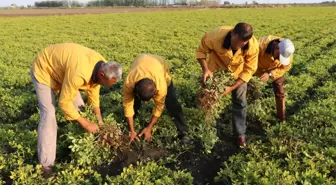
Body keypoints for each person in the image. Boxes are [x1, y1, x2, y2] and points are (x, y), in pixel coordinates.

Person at [30, 43, 122, 174]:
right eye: (107, 84)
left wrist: (99, 122)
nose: (107, 87)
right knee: (49, 113)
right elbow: (64, 103)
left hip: (64, 72)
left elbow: (94, 95)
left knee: (80, 109)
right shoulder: (79, 73)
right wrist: (86, 123)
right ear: (102, 74)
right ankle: (46, 164)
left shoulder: (103, 65)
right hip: (44, 69)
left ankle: (73, 140)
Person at [195, 23, 259, 146]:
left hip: (237, 74)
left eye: (240, 44)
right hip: (215, 70)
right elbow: (201, 51)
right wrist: (205, 70)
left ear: (246, 42)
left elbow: (249, 70)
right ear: (232, 33)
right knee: (206, 99)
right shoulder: (215, 36)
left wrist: (231, 88)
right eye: (234, 41)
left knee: (240, 102)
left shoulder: (253, 46)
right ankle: (205, 129)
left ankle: (240, 135)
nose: (235, 46)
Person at [123, 54, 190, 144]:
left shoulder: (161, 86)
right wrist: (132, 130)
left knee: (172, 103)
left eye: (148, 100)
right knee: (134, 103)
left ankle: (183, 132)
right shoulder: (129, 83)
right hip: (140, 61)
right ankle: (130, 127)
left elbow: (159, 107)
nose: (146, 103)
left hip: (159, 63)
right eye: (144, 100)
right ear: (135, 89)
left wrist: (149, 127)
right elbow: (127, 104)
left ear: (155, 91)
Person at [255, 36, 295, 121]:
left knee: (280, 90)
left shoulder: (287, 52)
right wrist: (257, 74)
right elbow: (249, 60)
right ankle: (251, 112)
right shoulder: (260, 46)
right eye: (279, 57)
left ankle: (281, 117)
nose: (279, 60)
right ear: (276, 48)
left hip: (273, 70)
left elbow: (284, 68)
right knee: (248, 87)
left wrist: (270, 74)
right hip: (256, 68)